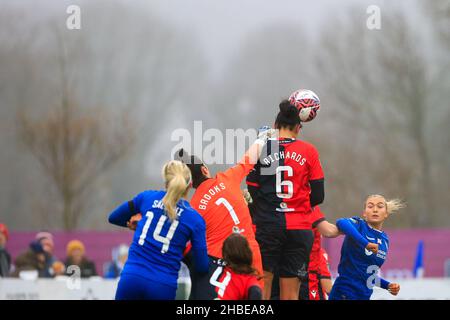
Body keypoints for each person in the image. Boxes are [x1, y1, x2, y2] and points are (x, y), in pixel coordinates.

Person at [174, 127, 274, 299]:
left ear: (189, 185)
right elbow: (248, 159)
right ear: (205, 170)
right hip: (251, 252)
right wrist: (261, 138)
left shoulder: (194, 208)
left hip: (224, 263)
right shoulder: (228, 178)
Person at [246, 99, 325, 300]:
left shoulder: (264, 149)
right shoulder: (309, 151)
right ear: (298, 127)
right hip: (299, 228)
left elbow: (252, 191)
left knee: (263, 288)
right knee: (291, 295)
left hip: (268, 225)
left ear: (275, 126)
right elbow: (318, 196)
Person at [108, 160, 209, 300]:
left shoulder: (146, 198)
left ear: (165, 183)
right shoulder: (195, 219)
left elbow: (114, 217)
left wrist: (140, 225)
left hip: (131, 278)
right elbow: (202, 266)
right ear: (190, 185)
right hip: (162, 285)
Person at [329, 194, 403, 300]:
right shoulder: (359, 225)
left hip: (364, 295)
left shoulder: (384, 240)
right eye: (370, 206)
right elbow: (341, 222)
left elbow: (368, 274)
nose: (375, 210)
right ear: (364, 213)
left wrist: (387, 286)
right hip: (344, 292)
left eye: (380, 206)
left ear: (386, 213)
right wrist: (365, 243)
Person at [212, 233, 262, 300]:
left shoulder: (213, 268)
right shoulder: (249, 282)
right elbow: (256, 294)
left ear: (224, 254)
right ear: (248, 253)